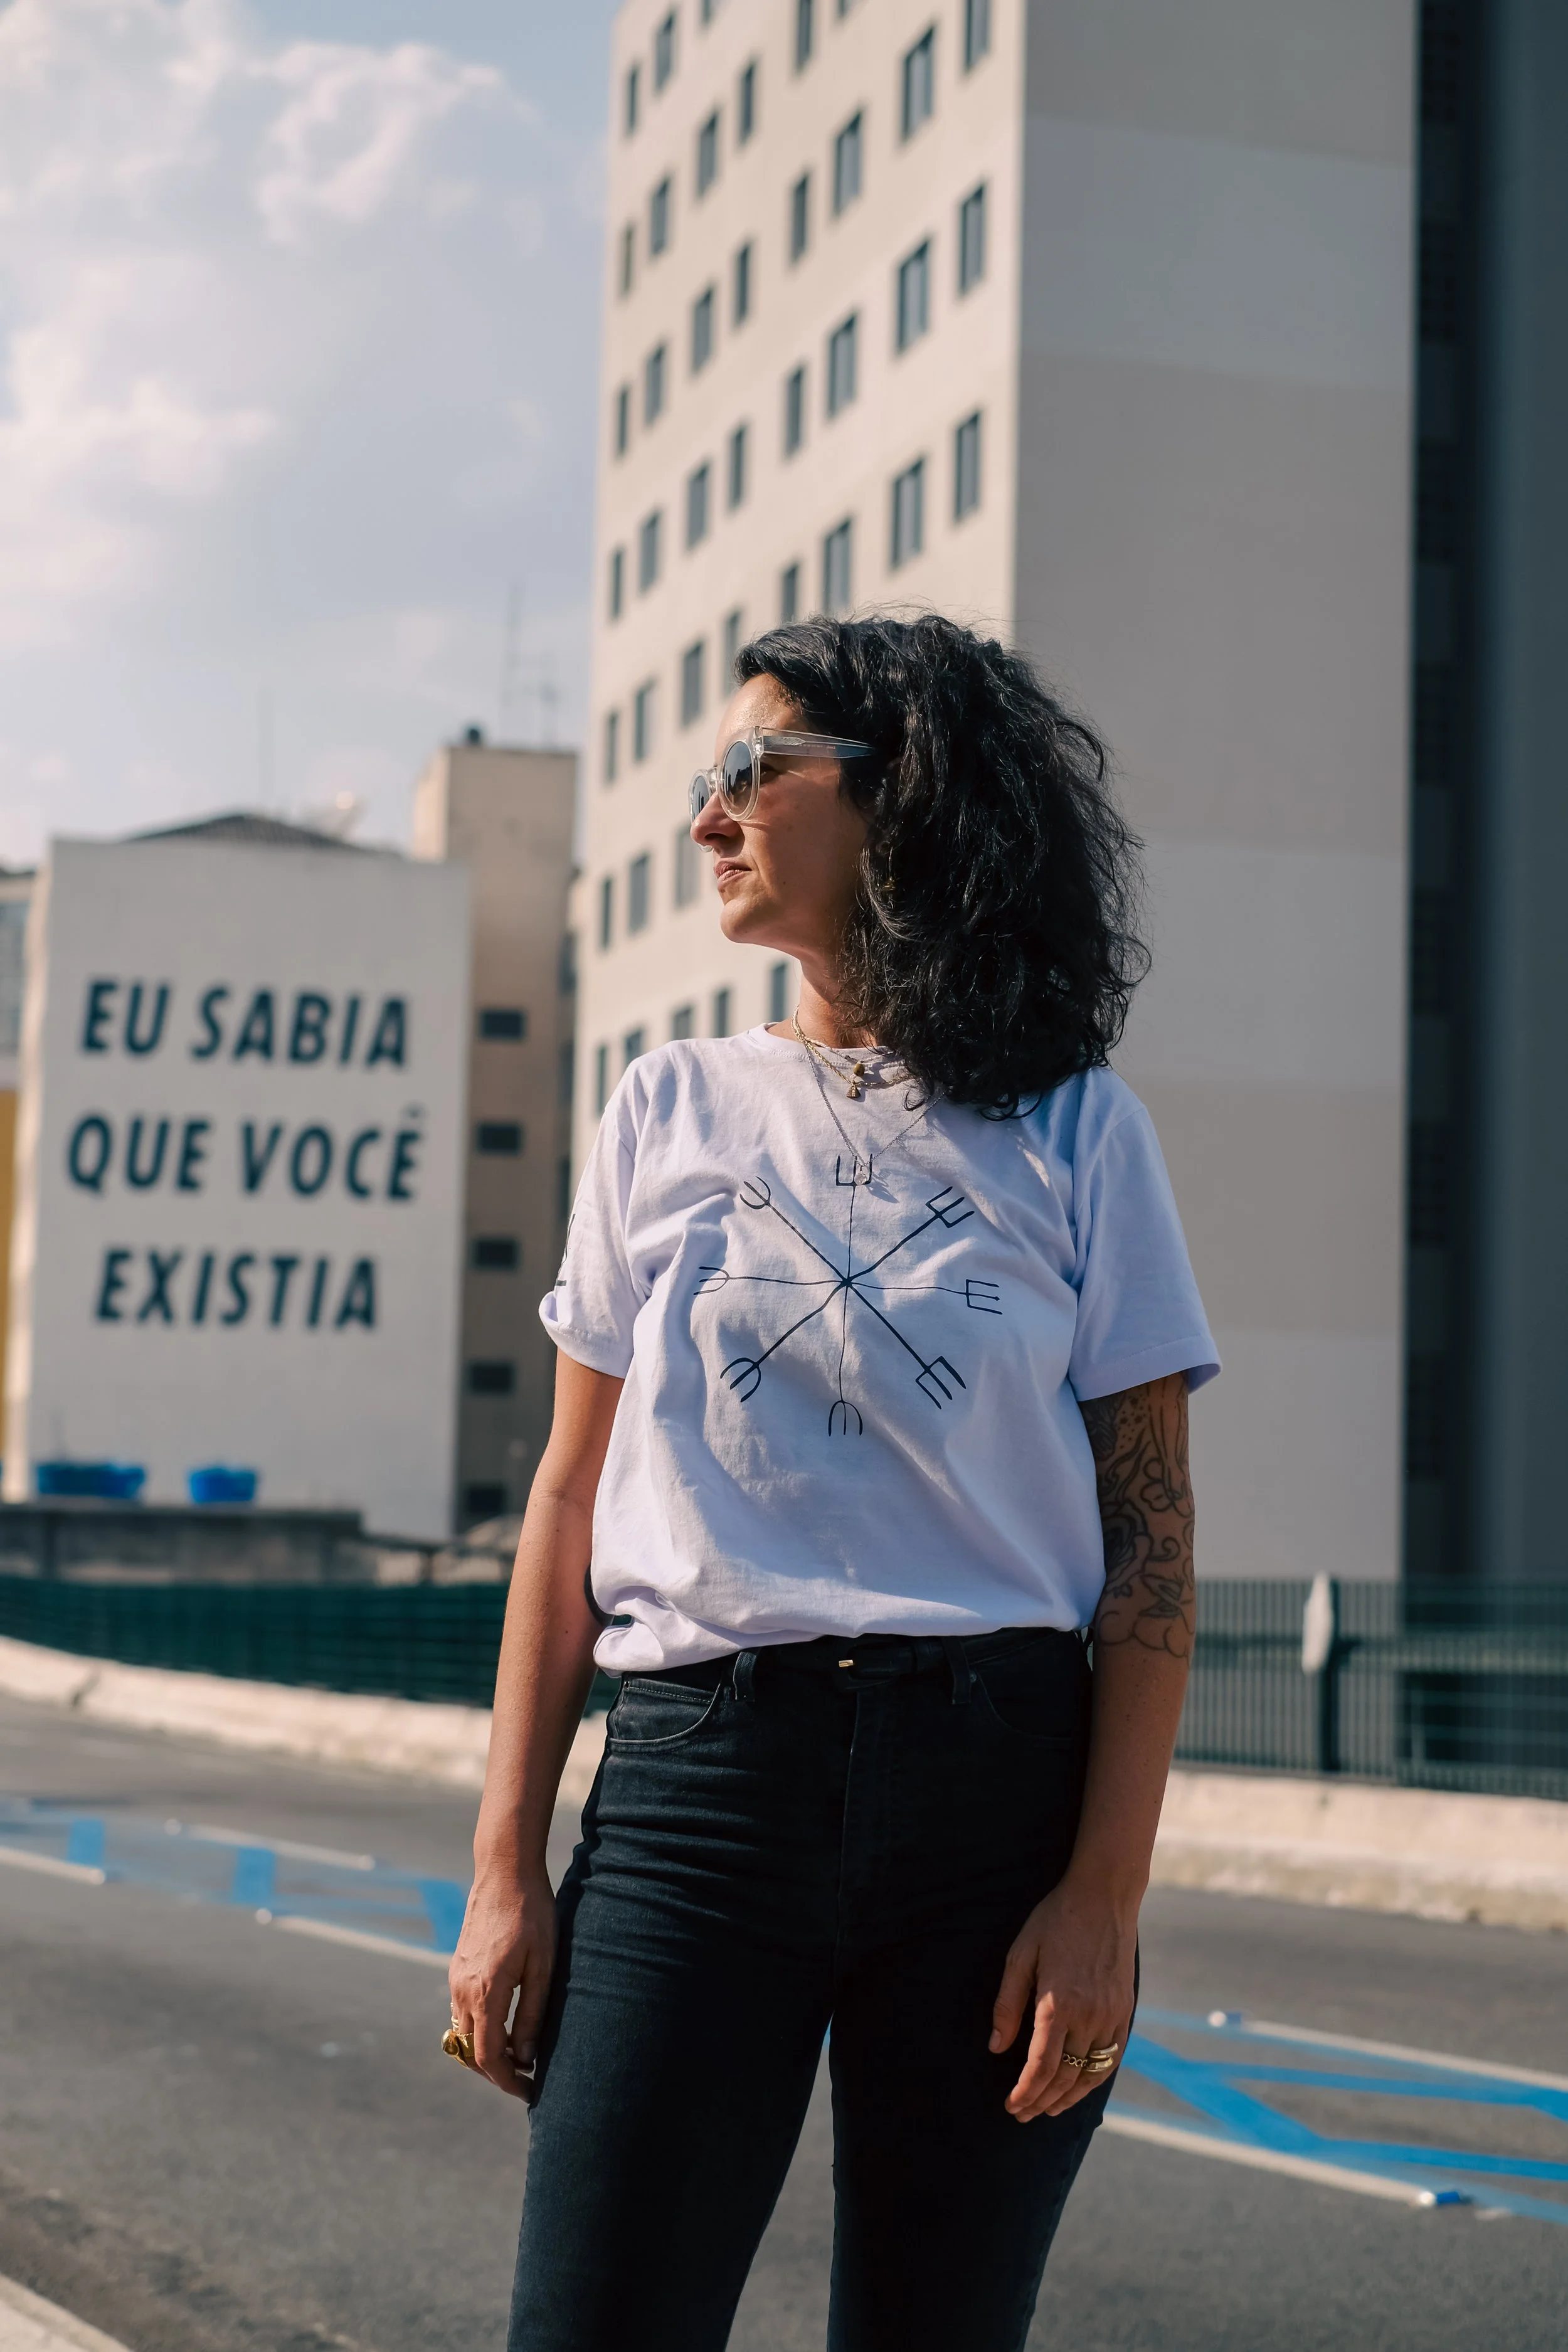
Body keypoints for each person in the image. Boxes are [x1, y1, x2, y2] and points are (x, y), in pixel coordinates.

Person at [447, 613, 1217, 2352]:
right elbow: (565, 1504)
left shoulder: (1079, 1129)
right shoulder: (667, 1106)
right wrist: (503, 1868)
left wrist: (1102, 1900)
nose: (704, 813)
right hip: (698, 1797)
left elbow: (1150, 1553)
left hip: (995, 1802)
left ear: (902, 795)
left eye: (749, 766)